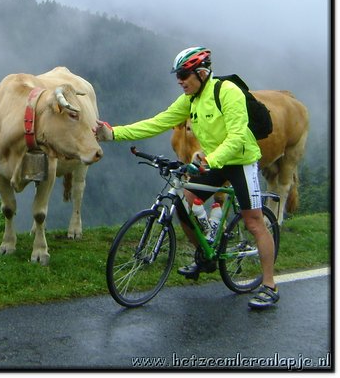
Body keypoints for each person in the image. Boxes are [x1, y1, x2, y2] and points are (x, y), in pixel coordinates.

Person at [103, 46, 278, 310]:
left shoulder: (227, 92)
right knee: (185, 204)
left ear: (202, 71)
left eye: (184, 74)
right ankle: (205, 256)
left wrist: (209, 160)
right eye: (178, 75)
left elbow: (238, 136)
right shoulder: (190, 100)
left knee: (254, 222)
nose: (180, 81)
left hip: (240, 161)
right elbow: (157, 122)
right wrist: (113, 133)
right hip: (212, 160)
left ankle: (269, 285)